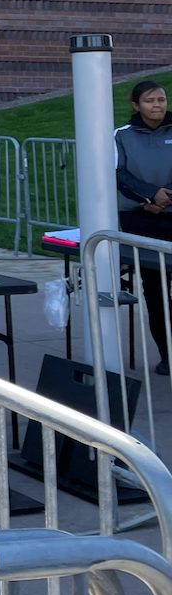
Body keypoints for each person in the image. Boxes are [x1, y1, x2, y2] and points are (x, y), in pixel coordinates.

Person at [116, 80, 172, 375]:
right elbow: (118, 173)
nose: (157, 105)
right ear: (136, 105)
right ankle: (167, 355)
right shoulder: (121, 136)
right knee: (155, 288)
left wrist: (165, 198)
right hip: (140, 218)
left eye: (161, 99)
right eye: (150, 101)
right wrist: (150, 196)